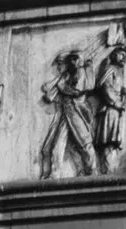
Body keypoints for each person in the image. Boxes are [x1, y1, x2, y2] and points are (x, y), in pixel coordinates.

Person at [39, 49, 97, 178]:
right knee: (59, 143)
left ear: (80, 60)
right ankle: (55, 173)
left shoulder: (81, 72)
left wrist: (61, 86)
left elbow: (76, 91)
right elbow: (50, 91)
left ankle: (92, 170)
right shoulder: (69, 74)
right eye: (71, 59)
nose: (72, 62)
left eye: (75, 59)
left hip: (77, 112)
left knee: (84, 142)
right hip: (67, 112)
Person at [91, 45, 126, 174]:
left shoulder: (118, 72)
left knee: (113, 140)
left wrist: (123, 97)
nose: (123, 57)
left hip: (116, 109)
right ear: (113, 55)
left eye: (124, 56)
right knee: (108, 139)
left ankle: (111, 168)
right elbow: (105, 88)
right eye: (120, 54)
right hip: (109, 109)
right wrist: (117, 103)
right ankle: (107, 169)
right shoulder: (110, 69)